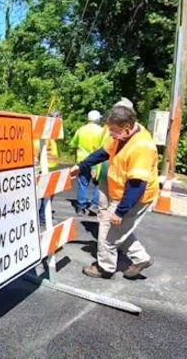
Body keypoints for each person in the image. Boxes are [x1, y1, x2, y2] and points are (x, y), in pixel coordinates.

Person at [69, 104, 158, 279]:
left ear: (127, 127)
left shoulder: (141, 147)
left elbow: (137, 185)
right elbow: (103, 152)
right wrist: (82, 165)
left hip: (135, 197)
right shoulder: (122, 136)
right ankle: (141, 258)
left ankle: (105, 267)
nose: (111, 134)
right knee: (120, 230)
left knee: (108, 232)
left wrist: (120, 211)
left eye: (114, 131)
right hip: (119, 192)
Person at [69, 110, 104, 216]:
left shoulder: (81, 130)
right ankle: (95, 205)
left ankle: (81, 207)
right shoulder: (102, 131)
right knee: (98, 184)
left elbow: (73, 145)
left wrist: (76, 160)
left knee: (83, 184)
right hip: (97, 161)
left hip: (82, 161)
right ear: (98, 119)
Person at [34, 111, 61, 224]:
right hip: (44, 168)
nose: (60, 121)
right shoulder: (42, 135)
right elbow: (36, 150)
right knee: (44, 192)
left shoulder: (50, 135)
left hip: (51, 168)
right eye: (58, 118)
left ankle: (43, 214)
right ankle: (42, 216)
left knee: (49, 192)